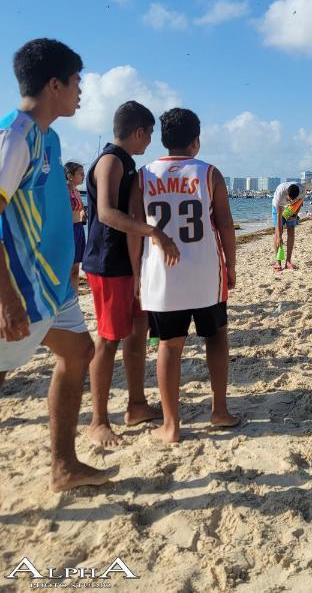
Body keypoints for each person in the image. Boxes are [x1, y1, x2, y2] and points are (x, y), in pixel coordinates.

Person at [0, 38, 109, 491]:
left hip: (54, 287)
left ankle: (64, 467)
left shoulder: (51, 136)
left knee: (80, 352)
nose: (81, 90)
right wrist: (6, 301)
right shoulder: (15, 135)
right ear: (54, 84)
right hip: (20, 288)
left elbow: (52, 210)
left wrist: (69, 268)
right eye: (77, 81)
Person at [128, 108, 238, 443]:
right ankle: (219, 410)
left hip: (163, 277)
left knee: (168, 346)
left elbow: (134, 229)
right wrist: (230, 265)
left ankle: (171, 425)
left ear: (163, 139)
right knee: (216, 336)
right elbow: (225, 224)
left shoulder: (143, 175)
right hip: (206, 273)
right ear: (196, 141)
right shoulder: (209, 173)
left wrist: (136, 274)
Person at [83, 101, 180, 447]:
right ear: (138, 131)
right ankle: (97, 420)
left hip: (129, 263)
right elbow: (107, 213)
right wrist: (153, 232)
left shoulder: (129, 164)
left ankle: (136, 404)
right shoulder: (111, 160)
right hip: (108, 263)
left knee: (137, 334)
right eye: (150, 133)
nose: (151, 140)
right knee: (108, 339)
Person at [64, 161, 86, 296]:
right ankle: (65, 298)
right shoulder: (63, 190)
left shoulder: (76, 191)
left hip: (78, 228)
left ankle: (75, 297)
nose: (83, 176)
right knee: (67, 266)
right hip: (68, 229)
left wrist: (83, 214)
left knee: (76, 267)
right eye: (80, 174)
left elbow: (81, 208)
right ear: (70, 175)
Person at [272, 181, 302, 271]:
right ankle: (278, 262)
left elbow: (300, 202)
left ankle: (288, 262)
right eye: (289, 199)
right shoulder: (280, 194)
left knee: (291, 229)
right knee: (278, 233)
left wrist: (295, 214)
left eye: (293, 199)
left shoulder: (301, 190)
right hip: (278, 208)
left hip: (291, 208)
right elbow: (279, 215)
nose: (291, 201)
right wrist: (280, 236)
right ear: (286, 194)